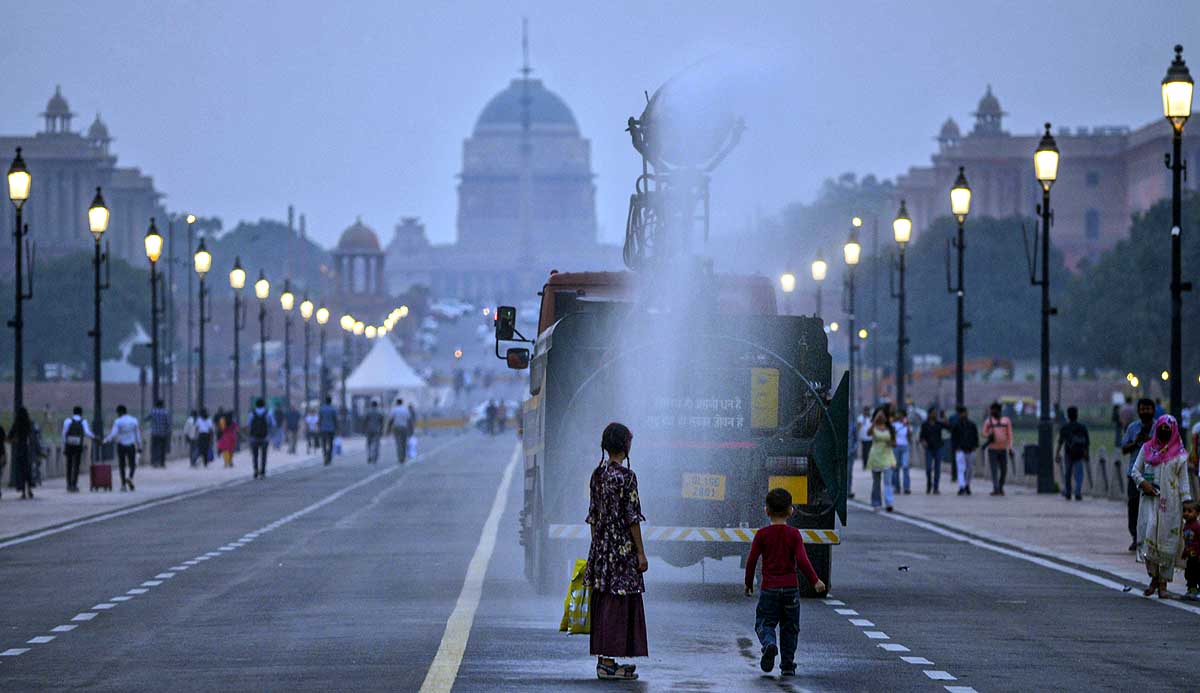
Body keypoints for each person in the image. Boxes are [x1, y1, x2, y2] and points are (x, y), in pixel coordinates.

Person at [584, 423, 648, 681]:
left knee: (604, 601)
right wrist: (640, 553)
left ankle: (605, 659)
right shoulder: (627, 477)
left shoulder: (597, 475)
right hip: (621, 548)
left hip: (601, 546)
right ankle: (608, 664)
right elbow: (632, 518)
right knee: (617, 604)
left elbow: (593, 516)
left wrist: (598, 547)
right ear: (626, 445)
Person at [744, 488, 826, 677]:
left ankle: (769, 643)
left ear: (766, 510)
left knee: (764, 622)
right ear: (791, 510)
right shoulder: (794, 534)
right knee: (790, 628)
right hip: (791, 589)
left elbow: (751, 560)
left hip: (769, 589)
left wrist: (748, 583)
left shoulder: (762, 535)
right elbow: (802, 560)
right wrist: (815, 581)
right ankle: (788, 665)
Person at [1130, 414, 1191, 598]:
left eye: (1168, 428)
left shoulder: (1180, 455)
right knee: (1149, 535)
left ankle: (1162, 583)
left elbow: (1184, 481)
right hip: (1150, 501)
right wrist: (1143, 483)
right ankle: (1153, 577)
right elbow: (1135, 470)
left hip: (1171, 504)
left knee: (1166, 541)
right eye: (1162, 427)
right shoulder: (1147, 448)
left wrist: (1187, 502)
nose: (1164, 431)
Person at [1122, 398, 1158, 551]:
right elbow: (1124, 448)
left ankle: (1151, 537)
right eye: (1142, 409)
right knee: (1133, 504)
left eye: (1148, 409)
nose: (1145, 412)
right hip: (1134, 474)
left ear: (1153, 410)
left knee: (1153, 506)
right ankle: (1135, 536)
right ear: (1138, 410)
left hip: (1154, 473)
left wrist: (1150, 441)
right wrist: (1136, 442)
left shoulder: (1159, 427)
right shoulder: (1132, 427)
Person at [103, 404, 142, 492]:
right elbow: (137, 435)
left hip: (121, 445)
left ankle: (123, 485)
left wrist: (105, 440)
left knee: (122, 465)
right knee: (132, 464)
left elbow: (113, 434)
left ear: (120, 412)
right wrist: (139, 446)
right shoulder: (134, 420)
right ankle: (130, 477)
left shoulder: (118, 421)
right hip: (131, 445)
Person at [1056, 406, 1090, 501]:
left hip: (1069, 453)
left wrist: (1057, 454)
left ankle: (1068, 492)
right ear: (1077, 415)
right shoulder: (1082, 427)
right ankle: (1078, 492)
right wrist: (1087, 453)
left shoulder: (1065, 427)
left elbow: (1060, 442)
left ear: (1068, 415)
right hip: (1080, 453)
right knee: (1079, 474)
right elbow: (1087, 442)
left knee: (1068, 473)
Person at [982, 402, 1014, 496]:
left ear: (999, 410)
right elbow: (983, 433)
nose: (992, 412)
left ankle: (1000, 486)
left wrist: (1010, 447)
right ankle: (996, 488)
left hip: (1003, 449)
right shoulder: (988, 421)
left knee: (1004, 470)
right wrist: (989, 435)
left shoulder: (1006, 421)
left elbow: (1010, 435)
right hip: (992, 449)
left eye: (994, 410)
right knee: (994, 469)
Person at [866, 410, 896, 512]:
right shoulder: (873, 428)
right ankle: (876, 503)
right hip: (875, 457)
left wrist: (890, 443)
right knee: (876, 482)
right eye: (879, 415)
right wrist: (874, 421)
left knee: (888, 482)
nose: (881, 417)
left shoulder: (890, 429)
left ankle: (889, 503)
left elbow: (894, 443)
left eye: (883, 415)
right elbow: (868, 433)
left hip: (887, 456)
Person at [61, 406, 96, 493]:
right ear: (81, 413)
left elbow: (64, 434)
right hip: (78, 445)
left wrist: (64, 445)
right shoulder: (83, 421)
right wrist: (95, 437)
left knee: (69, 465)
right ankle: (74, 484)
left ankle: (68, 484)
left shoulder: (67, 421)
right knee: (76, 465)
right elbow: (87, 433)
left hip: (69, 444)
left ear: (73, 412)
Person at [951, 405, 979, 496]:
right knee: (961, 469)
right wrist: (956, 447)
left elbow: (975, 437)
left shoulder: (972, 425)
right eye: (962, 413)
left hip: (970, 449)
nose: (964, 414)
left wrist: (975, 446)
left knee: (970, 469)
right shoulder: (956, 425)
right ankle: (962, 486)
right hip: (960, 450)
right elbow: (953, 439)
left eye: (965, 412)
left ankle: (967, 484)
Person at [10, 407, 35, 499]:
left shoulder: (17, 424)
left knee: (21, 470)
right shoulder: (29, 423)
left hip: (19, 448)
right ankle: (30, 489)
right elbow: (33, 437)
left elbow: (10, 436)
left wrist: (15, 440)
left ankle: (23, 491)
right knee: (28, 470)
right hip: (27, 449)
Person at [919, 408, 946, 494]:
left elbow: (949, 427)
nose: (934, 415)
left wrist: (944, 417)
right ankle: (929, 484)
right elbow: (921, 437)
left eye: (935, 413)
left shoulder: (939, 424)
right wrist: (923, 442)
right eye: (933, 413)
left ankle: (936, 487)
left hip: (938, 447)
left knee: (937, 469)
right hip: (929, 448)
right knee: (928, 468)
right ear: (929, 414)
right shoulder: (925, 425)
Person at [247, 399, 275, 479]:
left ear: (256, 405)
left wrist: (250, 435)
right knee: (264, 455)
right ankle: (262, 471)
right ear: (264, 405)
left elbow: (248, 424)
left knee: (255, 455)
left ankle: (255, 470)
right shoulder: (268, 413)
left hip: (254, 437)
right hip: (265, 437)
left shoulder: (252, 413)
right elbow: (273, 424)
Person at [1181, 500, 1200, 601]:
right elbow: (1188, 541)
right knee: (1189, 573)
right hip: (1190, 556)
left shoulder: (1197, 526)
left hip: (1197, 556)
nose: (1186, 513)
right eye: (1184, 510)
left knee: (1196, 572)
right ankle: (1191, 589)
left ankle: (1196, 591)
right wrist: (1185, 552)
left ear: (1197, 513)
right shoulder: (1186, 526)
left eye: (1189, 511)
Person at [891, 408, 912, 495]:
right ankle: (897, 487)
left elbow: (910, 437)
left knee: (905, 466)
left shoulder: (907, 426)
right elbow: (891, 435)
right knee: (895, 468)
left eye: (902, 415)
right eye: (898, 415)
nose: (900, 416)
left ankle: (906, 488)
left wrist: (907, 426)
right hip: (896, 446)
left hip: (905, 446)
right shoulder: (894, 424)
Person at [146, 399, 171, 468]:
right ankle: (162, 463)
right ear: (162, 405)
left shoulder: (153, 411)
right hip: (163, 433)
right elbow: (168, 423)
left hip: (154, 433)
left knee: (154, 448)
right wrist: (168, 431)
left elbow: (147, 418)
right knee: (162, 448)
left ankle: (154, 462)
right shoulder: (165, 412)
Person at [387, 398, 412, 464]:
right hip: (404, 427)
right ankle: (403, 457)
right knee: (404, 443)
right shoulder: (405, 410)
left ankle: (400, 457)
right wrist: (410, 429)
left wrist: (388, 429)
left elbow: (391, 420)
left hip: (396, 427)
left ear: (396, 403)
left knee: (398, 443)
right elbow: (409, 420)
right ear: (402, 402)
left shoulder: (394, 410)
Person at [317, 396, 338, 465]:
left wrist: (318, 427)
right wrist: (337, 427)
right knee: (331, 443)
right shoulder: (333, 409)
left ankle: (325, 455)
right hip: (331, 429)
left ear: (325, 401)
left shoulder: (321, 409)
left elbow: (319, 419)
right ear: (330, 401)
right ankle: (329, 457)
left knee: (324, 443)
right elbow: (335, 420)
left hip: (323, 429)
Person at [363, 400, 384, 464]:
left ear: (371, 405)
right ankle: (375, 457)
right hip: (377, 430)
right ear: (377, 405)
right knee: (376, 444)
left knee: (369, 444)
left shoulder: (368, 412)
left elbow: (365, 421)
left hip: (369, 430)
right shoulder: (380, 412)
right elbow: (382, 422)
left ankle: (369, 456)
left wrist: (364, 429)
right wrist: (382, 430)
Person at [857, 406, 873, 470]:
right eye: (865, 410)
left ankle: (869, 464)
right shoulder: (860, 418)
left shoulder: (871, 418)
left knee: (869, 452)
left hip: (870, 437)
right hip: (863, 437)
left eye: (867, 410)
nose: (866, 412)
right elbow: (858, 427)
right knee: (864, 452)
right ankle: (864, 464)